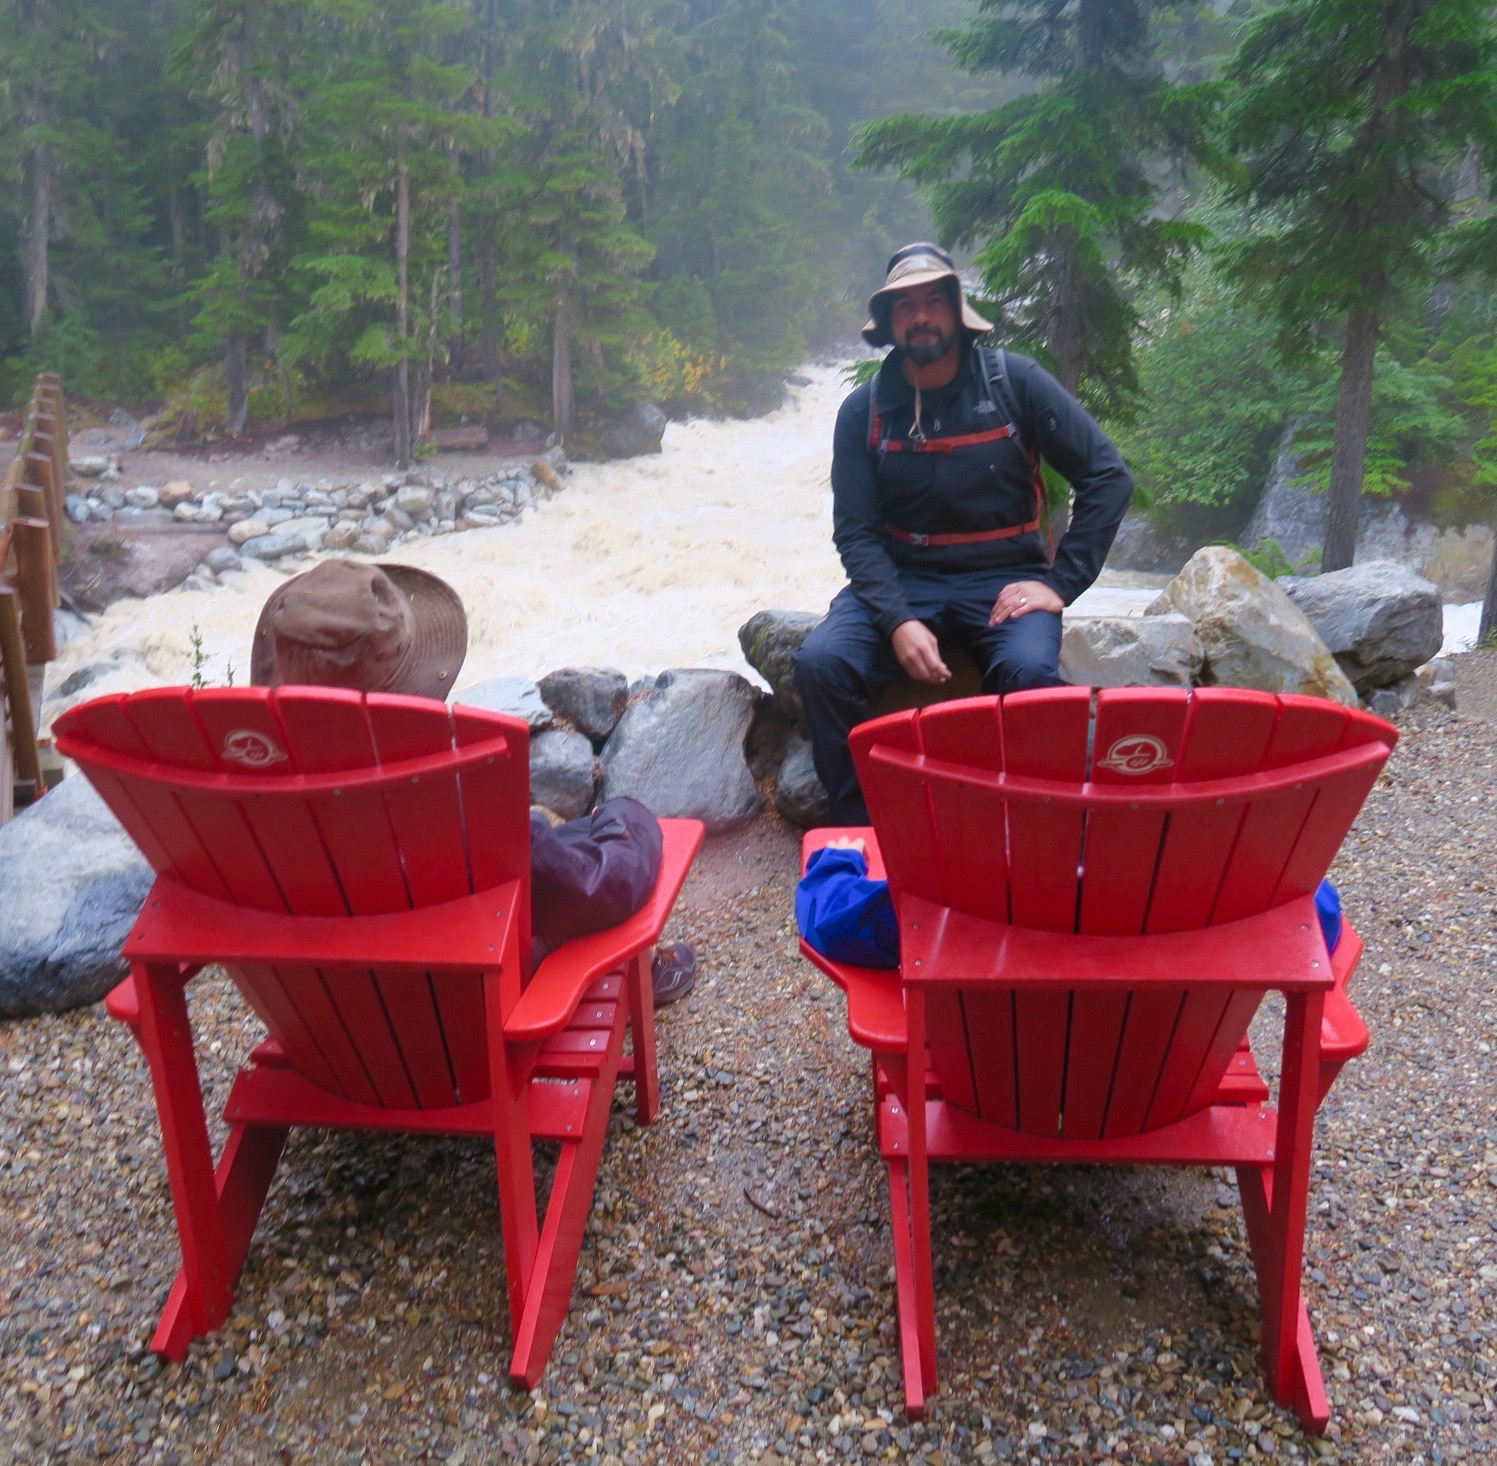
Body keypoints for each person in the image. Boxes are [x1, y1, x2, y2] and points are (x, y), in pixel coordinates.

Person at [252, 557, 697, 1004]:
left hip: (330, 1019)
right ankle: (641, 970)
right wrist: (629, 819)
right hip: (456, 1024)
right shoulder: (450, 799)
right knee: (554, 884)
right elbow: (597, 892)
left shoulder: (239, 801)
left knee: (545, 850)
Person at [794, 242, 1135, 824]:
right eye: (905, 306)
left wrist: (1060, 585)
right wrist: (898, 619)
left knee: (1030, 678)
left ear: (957, 310)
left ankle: (1028, 819)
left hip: (1006, 582)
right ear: (888, 322)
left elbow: (1107, 477)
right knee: (821, 663)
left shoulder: (1014, 382)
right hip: (903, 580)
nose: (920, 315)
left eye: (933, 300)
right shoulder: (864, 410)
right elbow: (855, 533)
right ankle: (860, 825)